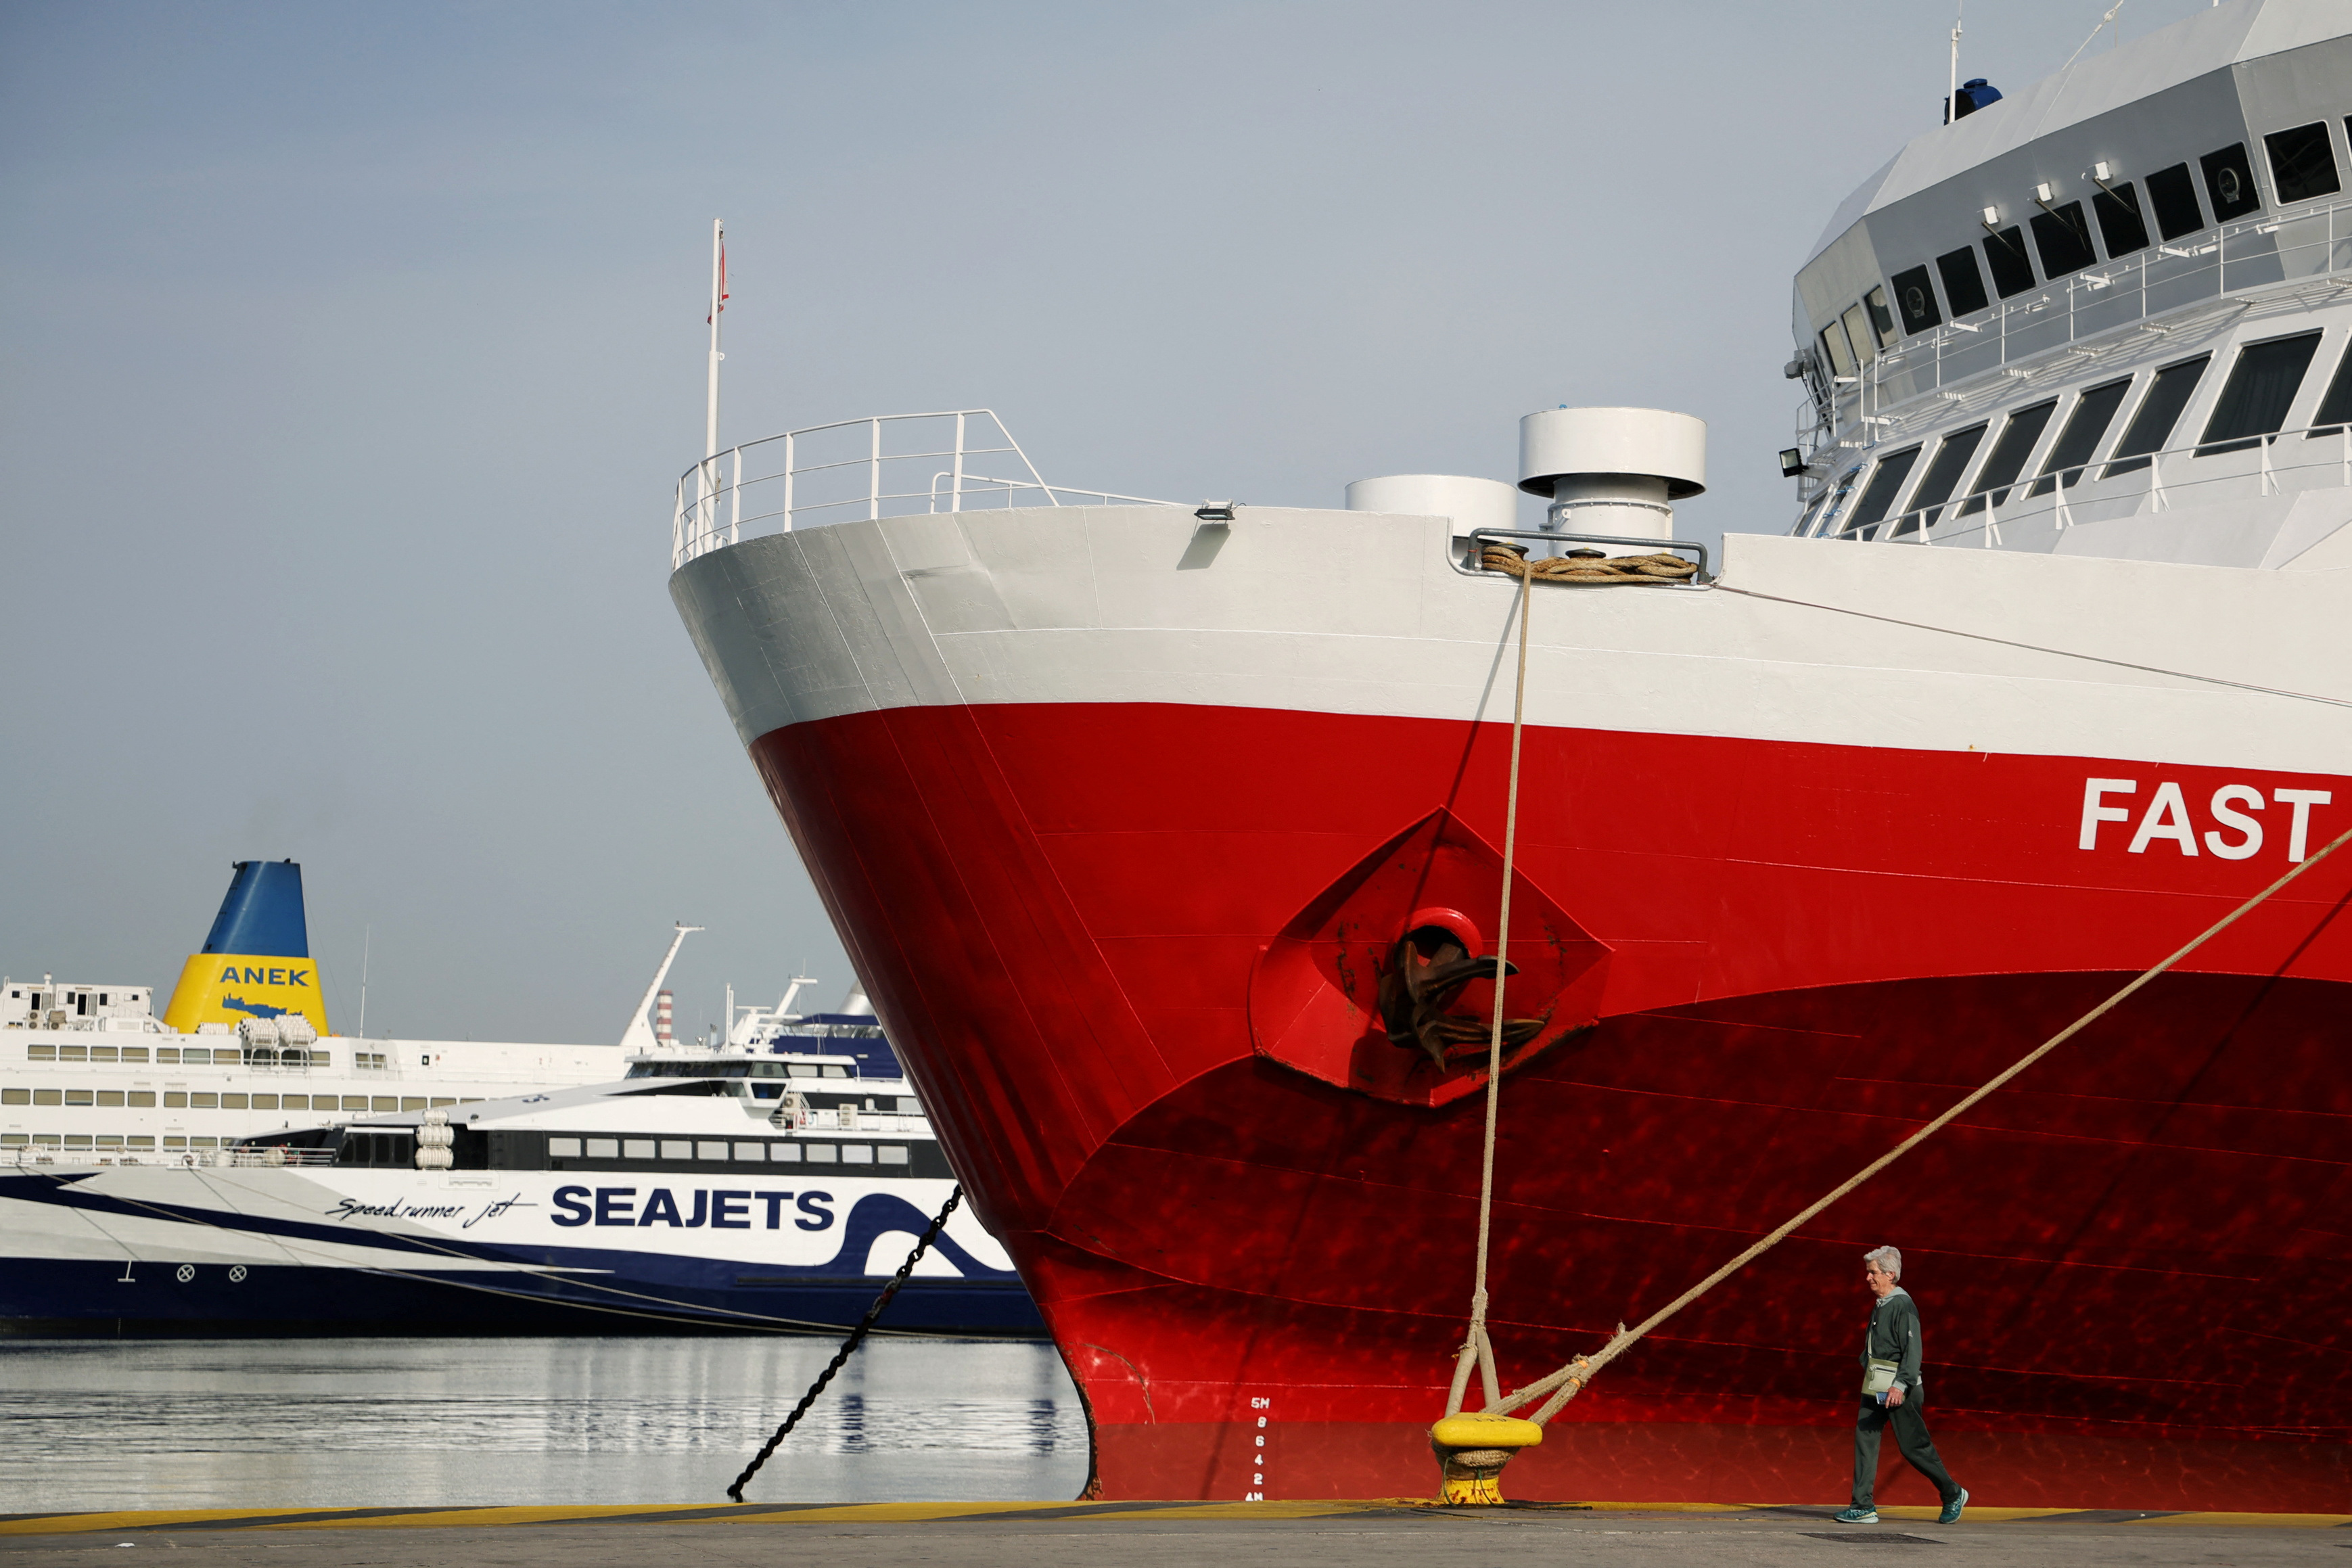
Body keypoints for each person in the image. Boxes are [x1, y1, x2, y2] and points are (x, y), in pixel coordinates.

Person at [1833, 1246, 1968, 1525]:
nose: (1868, 1278)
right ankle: (1863, 1506)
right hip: (1877, 1386)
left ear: (1890, 1274)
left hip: (1898, 1388)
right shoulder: (1882, 1302)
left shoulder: (1902, 1305)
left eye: (1873, 1273)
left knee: (1913, 1447)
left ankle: (1953, 1492)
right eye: (1868, 1272)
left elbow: (1913, 1350)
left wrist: (1901, 1385)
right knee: (1865, 1439)